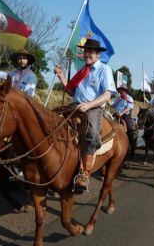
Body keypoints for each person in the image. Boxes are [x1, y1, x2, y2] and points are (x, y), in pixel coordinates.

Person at [54, 39, 116, 193]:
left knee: (91, 132)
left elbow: (108, 94)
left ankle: (84, 174)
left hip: (92, 108)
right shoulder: (82, 70)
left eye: (91, 52)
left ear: (97, 55)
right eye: (86, 51)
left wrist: (89, 105)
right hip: (75, 106)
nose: (87, 54)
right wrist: (62, 77)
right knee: (52, 121)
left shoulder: (104, 69)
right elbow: (72, 92)